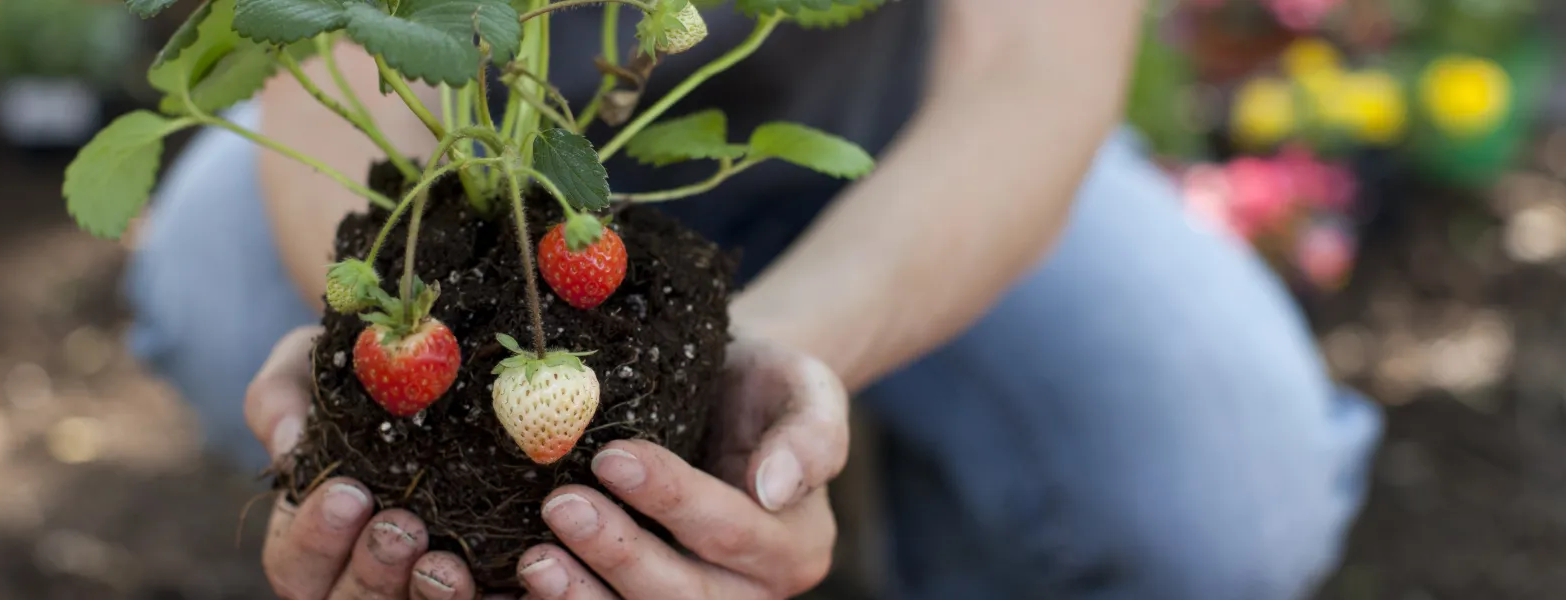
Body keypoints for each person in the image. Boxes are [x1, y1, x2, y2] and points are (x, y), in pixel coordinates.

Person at [122, 1, 1384, 598]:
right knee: (225, 284)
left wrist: (756, 373)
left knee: (1219, 503)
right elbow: (357, 39)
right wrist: (389, 324)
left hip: (901, 132)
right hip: (466, 144)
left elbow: (1034, 66)